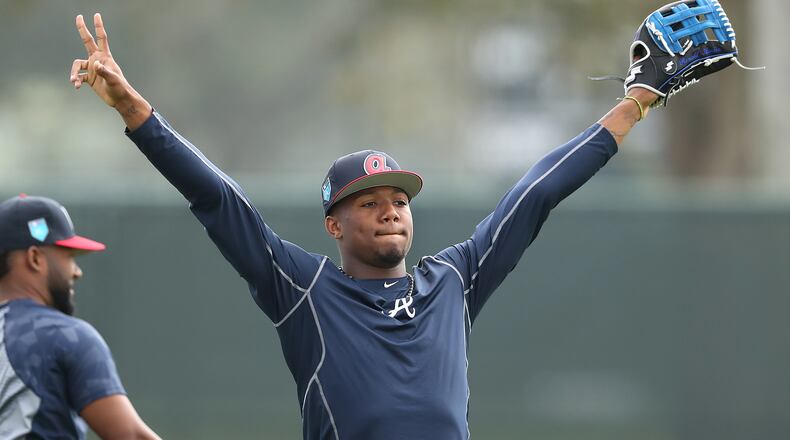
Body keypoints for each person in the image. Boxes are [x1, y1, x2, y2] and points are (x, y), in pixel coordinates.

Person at [69, 12, 659, 440]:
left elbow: (536, 193)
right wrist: (131, 109)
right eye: (368, 201)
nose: (390, 209)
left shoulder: (454, 280)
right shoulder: (303, 290)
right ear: (334, 225)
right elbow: (218, 199)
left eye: (398, 199)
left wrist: (633, 104)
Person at [0, 194, 161, 440]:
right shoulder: (61, 336)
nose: (77, 272)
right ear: (35, 258)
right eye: (69, 257)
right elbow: (131, 436)